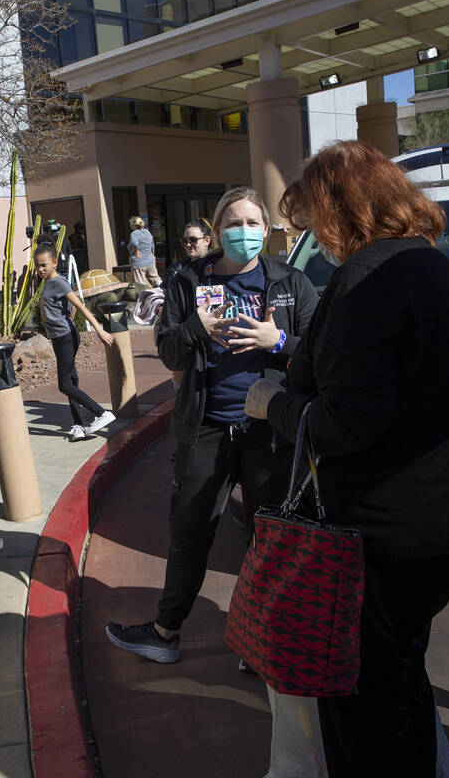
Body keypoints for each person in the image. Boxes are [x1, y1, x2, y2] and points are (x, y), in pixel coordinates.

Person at [242, 141, 449, 777]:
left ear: (340, 212)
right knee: (398, 668)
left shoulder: (367, 281)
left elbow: (343, 423)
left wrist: (269, 404)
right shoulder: (434, 267)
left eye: (314, 222)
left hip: (395, 524)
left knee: (360, 696)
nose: (317, 240)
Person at [105, 186, 318, 664]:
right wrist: (197, 326)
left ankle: (258, 635)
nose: (245, 232)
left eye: (253, 223)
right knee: (190, 531)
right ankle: (164, 632)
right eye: (235, 223)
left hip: (271, 431)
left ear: (267, 228)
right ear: (218, 229)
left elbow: (322, 351)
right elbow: (168, 352)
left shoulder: (289, 282)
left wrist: (277, 338)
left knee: (271, 537)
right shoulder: (187, 281)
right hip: (207, 427)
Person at [33, 242, 116, 441]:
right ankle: (78, 425)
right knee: (71, 381)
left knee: (64, 385)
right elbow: (71, 308)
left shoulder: (59, 282)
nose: (40, 269)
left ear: (54, 262)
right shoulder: (49, 282)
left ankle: (101, 413)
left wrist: (99, 330)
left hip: (65, 337)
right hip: (60, 336)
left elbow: (80, 305)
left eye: (44, 264)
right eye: (38, 265)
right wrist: (67, 317)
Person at [127, 215, 161, 288]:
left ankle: (143, 298)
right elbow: (152, 245)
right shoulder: (147, 232)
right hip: (150, 260)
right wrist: (152, 255)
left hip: (138, 262)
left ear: (133, 225)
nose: (130, 226)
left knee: (140, 285)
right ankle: (163, 291)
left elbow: (134, 243)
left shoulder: (134, 233)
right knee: (155, 279)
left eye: (131, 224)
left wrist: (136, 250)